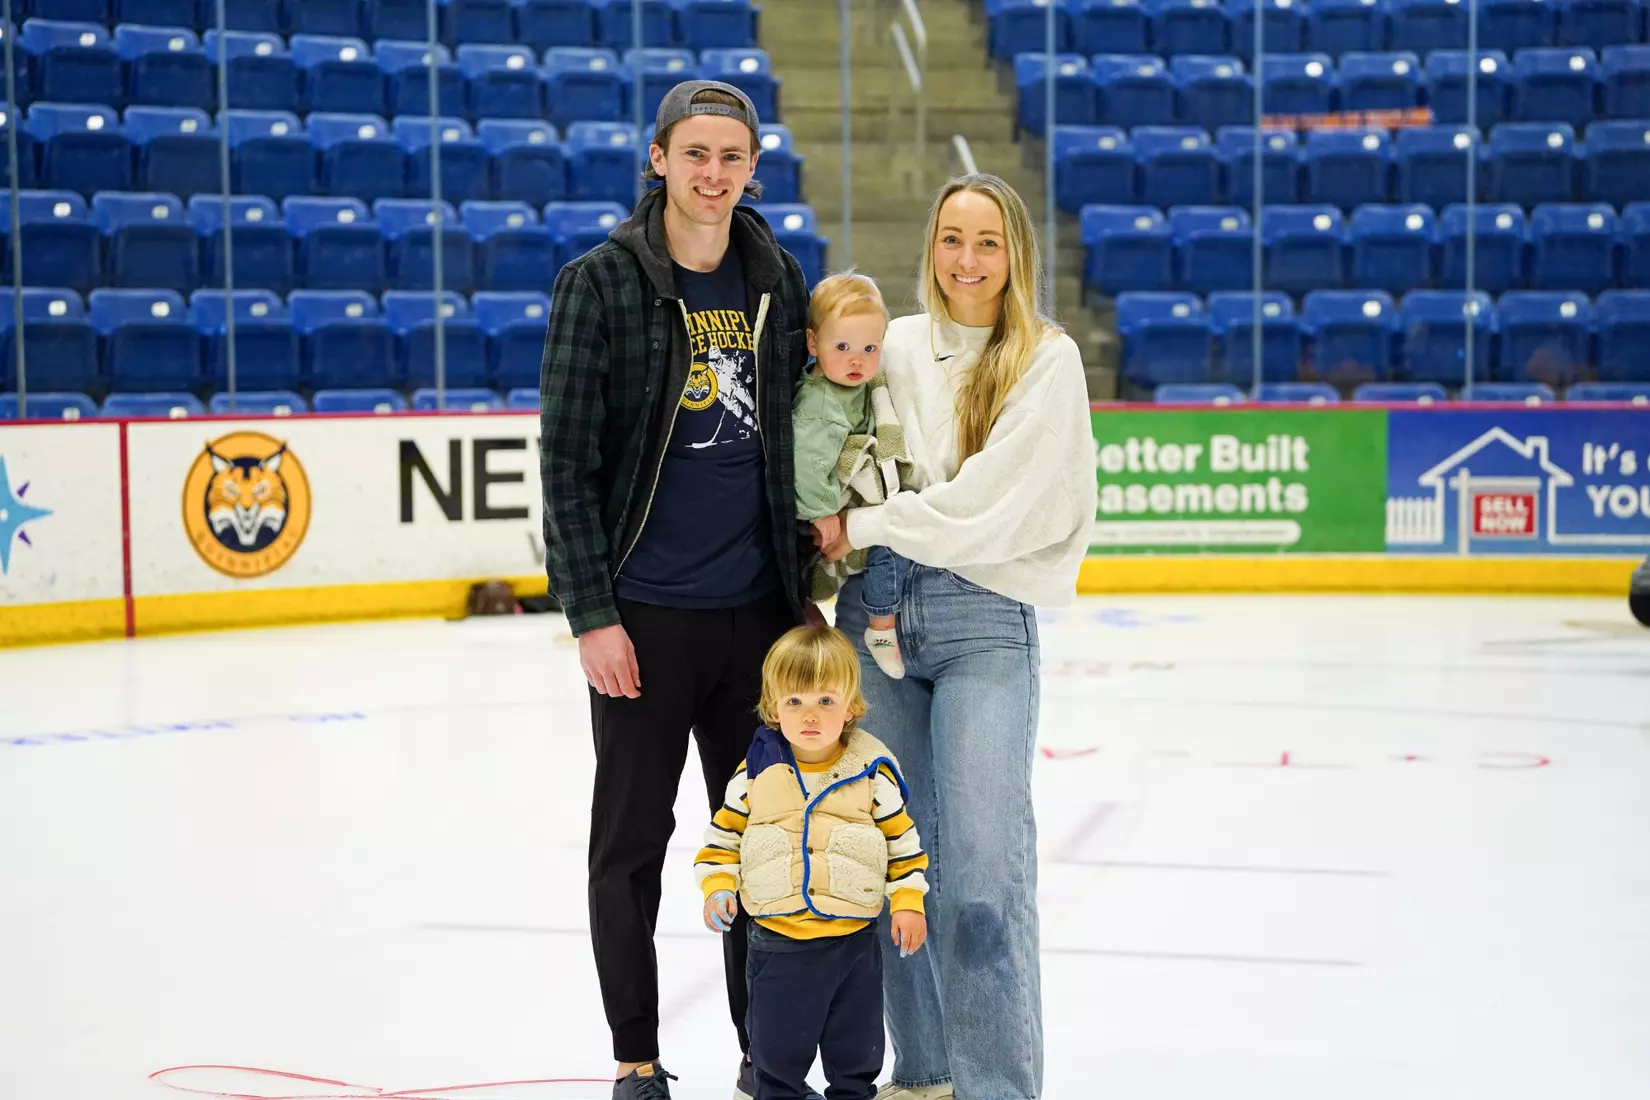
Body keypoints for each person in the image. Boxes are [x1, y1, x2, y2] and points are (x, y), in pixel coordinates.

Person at [537, 78, 815, 1100]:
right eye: (693, 154)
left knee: (761, 845)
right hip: (645, 622)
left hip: (758, 622)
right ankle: (636, 1054)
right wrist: (593, 615)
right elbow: (564, 465)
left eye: (731, 157)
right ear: (658, 159)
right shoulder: (601, 282)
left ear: (752, 166)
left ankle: (764, 1049)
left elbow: (798, 444)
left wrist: (808, 577)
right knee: (632, 848)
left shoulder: (776, 279)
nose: (712, 174)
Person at [818, 174, 1099, 1100]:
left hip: (984, 619)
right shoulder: (890, 345)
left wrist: (867, 526)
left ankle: (997, 1089)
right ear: (930, 247)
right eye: (950, 239)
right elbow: (826, 438)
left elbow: (990, 510)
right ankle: (926, 1074)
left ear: (1015, 252)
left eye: (987, 242)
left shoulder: (1044, 360)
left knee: (981, 871)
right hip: (873, 615)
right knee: (898, 859)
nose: (966, 261)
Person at [695, 625, 930, 1100]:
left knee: (856, 1058)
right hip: (779, 945)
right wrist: (718, 884)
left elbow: (903, 845)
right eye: (794, 702)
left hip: (853, 947)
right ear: (773, 707)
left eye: (825, 701)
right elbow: (723, 839)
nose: (809, 715)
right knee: (776, 1058)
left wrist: (908, 901)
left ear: (850, 707)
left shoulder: (873, 772)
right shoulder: (755, 773)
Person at [794, 272, 914, 679]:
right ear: (813, 344)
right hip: (828, 508)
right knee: (886, 543)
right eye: (841, 347)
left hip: (849, 496)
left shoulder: (858, 384)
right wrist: (823, 511)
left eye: (869, 348)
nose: (856, 360)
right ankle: (881, 624)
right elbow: (808, 461)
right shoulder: (822, 401)